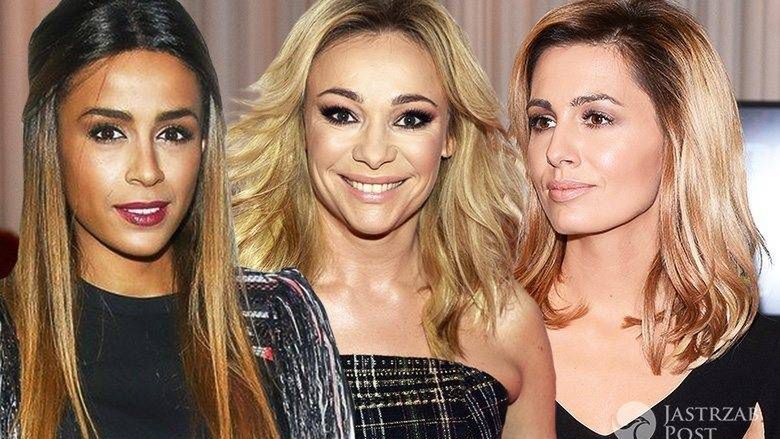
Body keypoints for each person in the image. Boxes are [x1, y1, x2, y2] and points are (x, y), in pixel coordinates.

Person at [0, 1, 352, 438]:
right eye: (108, 132)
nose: (147, 171)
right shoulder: (8, 339)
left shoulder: (278, 318)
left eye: (173, 133)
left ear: (203, 144)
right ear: (49, 141)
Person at [229, 0, 556, 438]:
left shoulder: (504, 320)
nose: (374, 153)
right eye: (342, 114)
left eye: (410, 119)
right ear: (301, 126)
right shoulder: (226, 309)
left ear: (451, 136)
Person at [508, 0, 779, 437]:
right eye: (542, 121)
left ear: (678, 136)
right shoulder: (474, 334)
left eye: (596, 118)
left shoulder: (763, 361)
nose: (556, 150)